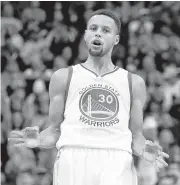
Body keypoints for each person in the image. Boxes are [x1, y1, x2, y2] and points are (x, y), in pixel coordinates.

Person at [9, 9, 169, 185]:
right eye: (93, 28)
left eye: (105, 30)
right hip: (72, 159)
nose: (98, 33)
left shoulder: (134, 82)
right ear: (86, 36)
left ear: (116, 39)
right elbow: (55, 130)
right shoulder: (63, 77)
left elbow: (136, 137)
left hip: (116, 160)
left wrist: (146, 150)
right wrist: (38, 139)